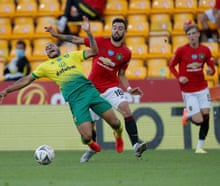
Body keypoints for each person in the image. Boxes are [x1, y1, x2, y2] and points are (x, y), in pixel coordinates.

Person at [0, 16, 124, 156]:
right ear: (46, 54)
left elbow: (94, 51)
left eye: (52, 45)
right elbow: (26, 80)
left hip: (90, 92)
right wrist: (7, 90)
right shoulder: (45, 67)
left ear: (58, 48)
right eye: (47, 48)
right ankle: (91, 144)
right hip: (75, 100)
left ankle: (118, 136)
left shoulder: (72, 56)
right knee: (86, 137)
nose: (50, 47)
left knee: (116, 123)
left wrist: (89, 33)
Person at [46, 17, 147, 163]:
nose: (117, 30)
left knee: (126, 109)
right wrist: (56, 35)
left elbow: (122, 74)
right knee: (90, 126)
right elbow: (76, 39)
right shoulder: (100, 41)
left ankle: (136, 145)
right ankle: (91, 149)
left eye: (120, 28)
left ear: (125, 31)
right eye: (115, 27)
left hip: (111, 87)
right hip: (92, 89)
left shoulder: (126, 53)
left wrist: (129, 88)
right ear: (111, 29)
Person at [169, 23, 216, 154]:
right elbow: (171, 66)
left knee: (206, 115)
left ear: (198, 34)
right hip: (188, 91)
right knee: (198, 120)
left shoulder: (205, 50)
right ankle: (187, 115)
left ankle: (199, 147)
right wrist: (179, 77)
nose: (191, 36)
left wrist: (210, 70)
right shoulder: (181, 50)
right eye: (189, 34)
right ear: (187, 36)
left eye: (194, 33)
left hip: (202, 88)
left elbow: (212, 68)